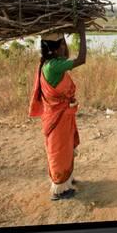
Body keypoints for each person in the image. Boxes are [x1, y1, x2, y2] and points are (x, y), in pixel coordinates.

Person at [28, 20, 87, 200]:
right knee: (59, 150)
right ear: (57, 47)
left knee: (65, 148)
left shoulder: (49, 62)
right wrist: (82, 33)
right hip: (57, 117)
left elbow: (67, 55)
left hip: (59, 115)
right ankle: (59, 190)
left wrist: (63, 39)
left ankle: (66, 180)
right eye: (62, 44)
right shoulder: (54, 66)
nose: (65, 48)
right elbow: (81, 59)